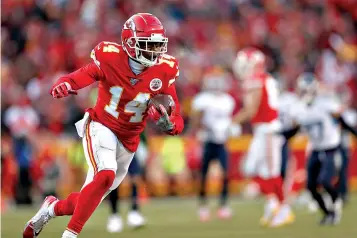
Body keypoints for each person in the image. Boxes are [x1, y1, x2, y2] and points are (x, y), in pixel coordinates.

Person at [23, 13, 184, 238]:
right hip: (102, 126)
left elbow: (177, 116)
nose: (156, 51)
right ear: (130, 43)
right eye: (150, 45)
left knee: (89, 198)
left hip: (129, 141)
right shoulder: (110, 57)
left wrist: (169, 124)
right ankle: (70, 235)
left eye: (159, 45)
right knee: (105, 175)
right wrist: (65, 82)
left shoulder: (164, 69)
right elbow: (84, 74)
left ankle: (50, 209)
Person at [281, 73, 357, 225]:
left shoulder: (325, 104)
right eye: (303, 90)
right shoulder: (298, 108)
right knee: (310, 186)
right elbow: (294, 131)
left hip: (331, 148)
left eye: (308, 90)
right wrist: (279, 136)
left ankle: (336, 206)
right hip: (316, 149)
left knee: (325, 181)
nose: (305, 93)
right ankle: (327, 213)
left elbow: (343, 122)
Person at [232, 48, 294, 227]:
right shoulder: (265, 78)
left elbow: (251, 110)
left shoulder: (256, 80)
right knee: (253, 168)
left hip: (268, 130)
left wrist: (232, 122)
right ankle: (272, 203)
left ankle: (284, 209)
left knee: (270, 172)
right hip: (265, 129)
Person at [190, 67, 236, 222]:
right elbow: (196, 120)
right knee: (204, 175)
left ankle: (223, 205)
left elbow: (229, 121)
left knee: (225, 173)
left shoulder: (227, 100)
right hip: (207, 141)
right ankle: (203, 205)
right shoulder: (203, 99)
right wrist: (203, 129)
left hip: (222, 141)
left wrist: (229, 129)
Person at [107, 133, 148, 233]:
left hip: (130, 146)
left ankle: (134, 212)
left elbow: (140, 131)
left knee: (135, 179)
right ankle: (114, 215)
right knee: (114, 181)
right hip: (114, 148)